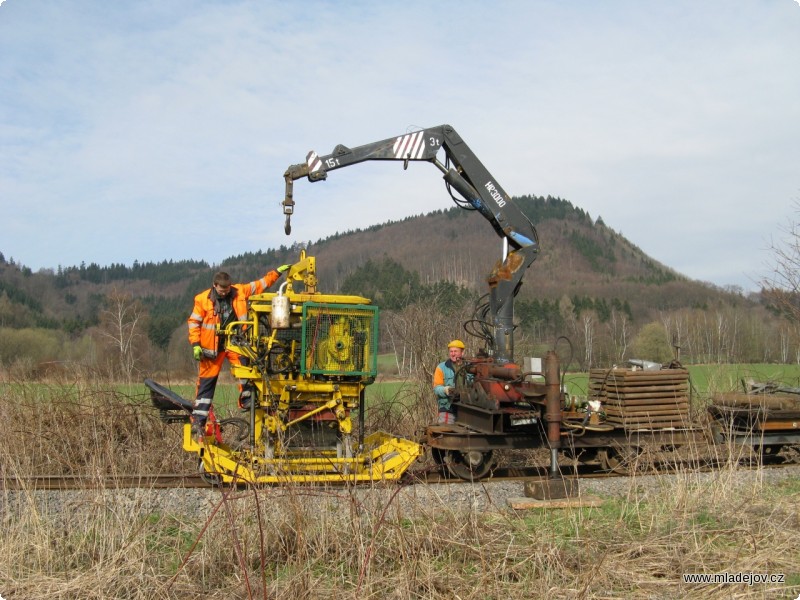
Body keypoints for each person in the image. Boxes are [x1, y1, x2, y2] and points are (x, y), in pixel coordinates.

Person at [187, 264, 290, 439]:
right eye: (221, 290)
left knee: (246, 372)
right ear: (214, 286)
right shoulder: (202, 299)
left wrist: (277, 273)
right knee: (206, 384)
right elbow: (194, 322)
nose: (224, 293)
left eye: (227, 289)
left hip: (236, 342)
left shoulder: (240, 292)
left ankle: (247, 400)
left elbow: (261, 284)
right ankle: (199, 420)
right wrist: (195, 344)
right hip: (212, 348)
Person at [432, 339, 466, 424]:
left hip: (466, 409)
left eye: (456, 351)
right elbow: (436, 388)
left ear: (462, 352)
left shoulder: (470, 368)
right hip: (447, 408)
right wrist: (445, 390)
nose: (453, 354)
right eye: (451, 351)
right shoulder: (441, 367)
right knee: (445, 433)